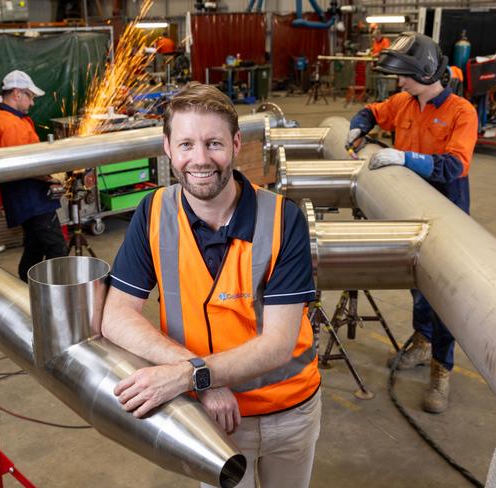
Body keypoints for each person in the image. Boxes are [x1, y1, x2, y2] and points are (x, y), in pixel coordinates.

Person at [101, 82, 321, 488]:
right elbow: (115, 316)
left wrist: (191, 377)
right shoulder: (153, 213)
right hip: (211, 418)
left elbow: (278, 344)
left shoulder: (282, 220)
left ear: (236, 143)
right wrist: (202, 380)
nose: (200, 160)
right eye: (186, 144)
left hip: (288, 412)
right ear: (167, 148)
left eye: (213, 143)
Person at [347, 32, 478, 414]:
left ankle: (442, 369)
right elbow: (371, 112)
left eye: (403, 76)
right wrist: (358, 127)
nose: (398, 83)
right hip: (408, 208)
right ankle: (422, 343)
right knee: (417, 285)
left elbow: (455, 166)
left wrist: (405, 159)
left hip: (446, 211)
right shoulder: (404, 103)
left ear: (424, 72)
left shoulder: (460, 112)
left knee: (444, 296)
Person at [0, 70, 68, 282]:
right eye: (30, 97)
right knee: (56, 247)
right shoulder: (10, 124)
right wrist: (53, 176)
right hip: (31, 199)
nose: (32, 103)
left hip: (28, 197)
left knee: (36, 245)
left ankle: (24, 285)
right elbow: (25, 167)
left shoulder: (15, 119)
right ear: (17, 93)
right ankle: (54, 293)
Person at [371, 28, 391, 101]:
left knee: (383, 81)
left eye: (375, 36)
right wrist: (372, 61)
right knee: (379, 81)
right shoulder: (375, 41)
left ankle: (383, 97)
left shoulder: (386, 41)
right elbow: (373, 51)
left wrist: (378, 54)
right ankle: (380, 97)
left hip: (384, 64)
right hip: (378, 64)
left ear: (379, 35)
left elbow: (386, 51)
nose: (374, 38)